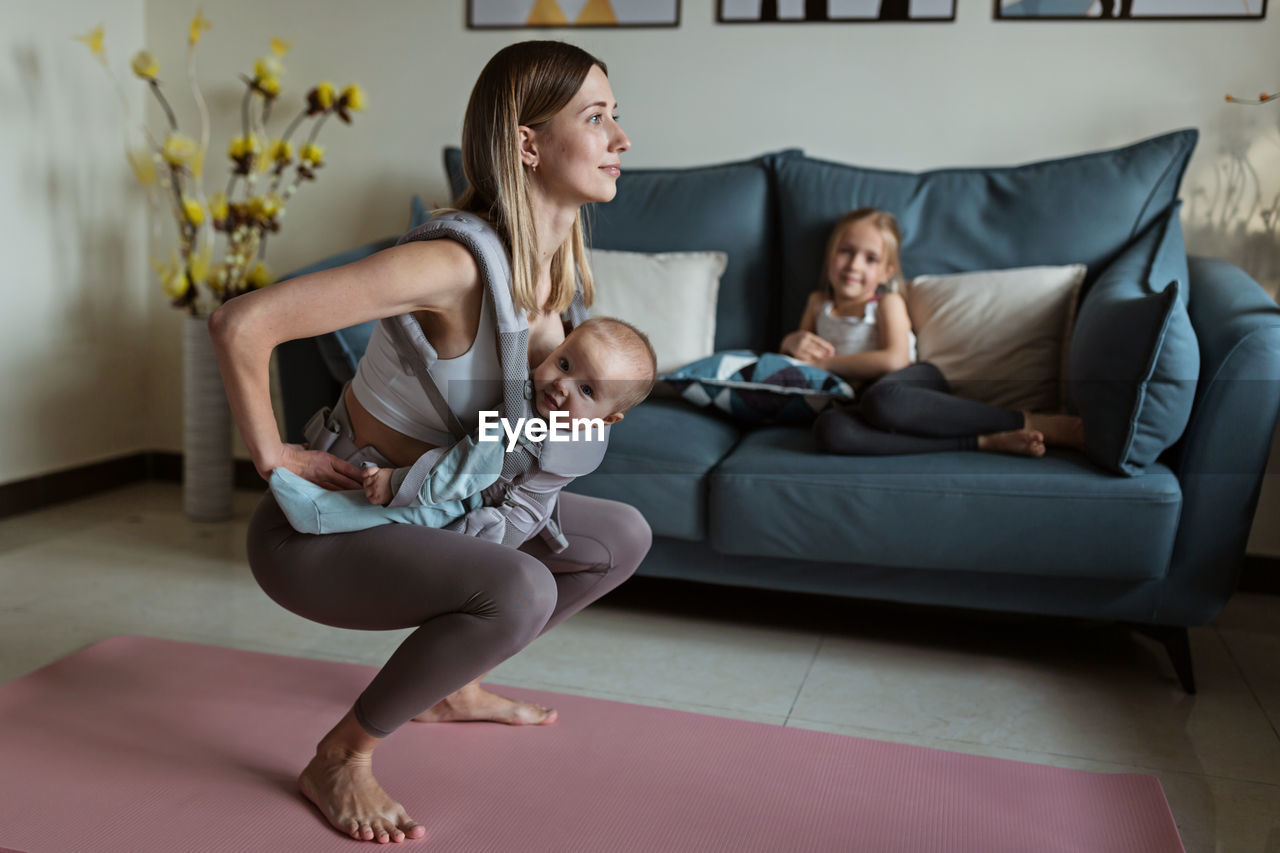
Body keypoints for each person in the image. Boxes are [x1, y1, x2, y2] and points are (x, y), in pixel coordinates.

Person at [210, 41, 648, 845]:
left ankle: (456, 681)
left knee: (620, 535)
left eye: (616, 116)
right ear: (527, 143)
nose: (622, 139)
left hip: (433, 522)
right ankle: (341, 755)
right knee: (521, 588)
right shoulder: (451, 264)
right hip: (330, 533)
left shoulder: (552, 277)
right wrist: (271, 454)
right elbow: (242, 321)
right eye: (597, 118)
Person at [270, 317, 656, 537]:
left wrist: (397, 483)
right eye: (564, 364)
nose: (560, 385)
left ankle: (319, 513)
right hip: (525, 520)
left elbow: (462, 472)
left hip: (487, 524)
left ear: (608, 420)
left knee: (419, 512)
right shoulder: (585, 433)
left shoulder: (519, 428)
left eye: (586, 389)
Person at [780, 208, 1084, 456]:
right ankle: (984, 441)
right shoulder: (817, 303)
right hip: (856, 400)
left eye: (870, 258)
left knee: (883, 399)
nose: (854, 265)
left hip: (911, 387)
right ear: (830, 256)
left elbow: (895, 360)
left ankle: (1027, 419)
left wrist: (825, 365)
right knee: (830, 430)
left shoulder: (886, 302)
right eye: (845, 251)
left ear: (886, 272)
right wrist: (789, 342)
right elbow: (798, 365)